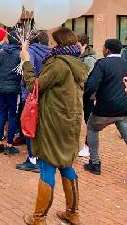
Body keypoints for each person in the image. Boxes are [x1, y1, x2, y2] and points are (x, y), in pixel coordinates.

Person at [21, 27, 88, 225]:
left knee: (47, 165)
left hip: (53, 122)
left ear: (58, 44)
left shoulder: (58, 64)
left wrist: (26, 61)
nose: (49, 45)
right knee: (66, 164)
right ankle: (72, 213)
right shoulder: (77, 63)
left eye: (52, 42)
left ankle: (39, 218)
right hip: (70, 121)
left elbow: (34, 86)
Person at [83, 38, 127, 175]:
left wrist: (87, 99)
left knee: (92, 128)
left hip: (104, 109)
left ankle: (95, 163)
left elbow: (91, 85)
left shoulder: (102, 63)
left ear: (107, 50)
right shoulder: (126, 63)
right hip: (123, 108)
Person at [16, 30, 50, 172]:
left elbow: (26, 74)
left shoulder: (29, 52)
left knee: (29, 127)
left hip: (31, 95)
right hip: (46, 95)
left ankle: (32, 159)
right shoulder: (51, 53)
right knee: (42, 129)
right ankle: (41, 158)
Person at [0, 30, 22, 155]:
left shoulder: (0, 53)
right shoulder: (20, 54)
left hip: (1, 88)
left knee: (2, 114)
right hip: (14, 89)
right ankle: (9, 144)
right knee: (12, 116)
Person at [76, 33, 97, 157]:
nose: (76, 47)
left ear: (84, 45)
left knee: (88, 120)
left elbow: (84, 76)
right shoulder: (80, 55)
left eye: (78, 45)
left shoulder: (90, 58)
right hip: (81, 93)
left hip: (88, 94)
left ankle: (88, 146)